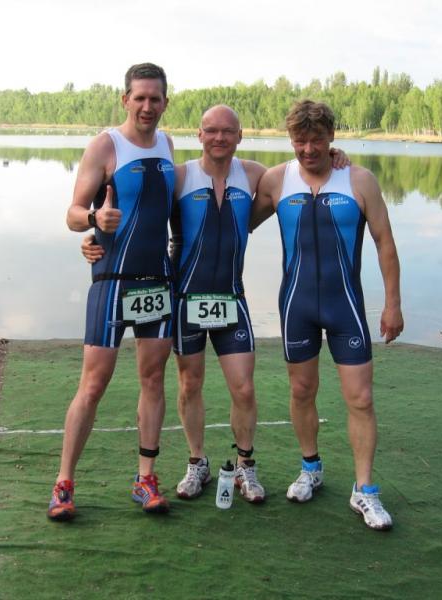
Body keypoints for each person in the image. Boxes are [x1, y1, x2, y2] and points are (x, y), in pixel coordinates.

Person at [82, 105, 350, 504]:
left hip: (231, 297)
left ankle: (245, 464)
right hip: (185, 298)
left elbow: (303, 170)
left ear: (240, 136)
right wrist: (95, 238)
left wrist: (335, 156)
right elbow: (140, 214)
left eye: (227, 131)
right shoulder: (179, 176)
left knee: (244, 387)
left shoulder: (256, 175)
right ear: (199, 135)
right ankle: (197, 462)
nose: (219, 138)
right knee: (189, 383)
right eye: (211, 131)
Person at [251, 100, 404, 530]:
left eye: (317, 140)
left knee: (361, 398)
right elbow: (236, 222)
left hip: (345, 306)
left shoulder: (359, 180)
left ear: (331, 137)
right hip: (296, 305)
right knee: (302, 390)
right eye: (299, 141)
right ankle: (310, 468)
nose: (308, 149)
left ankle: (365, 490)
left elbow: (385, 242)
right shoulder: (277, 180)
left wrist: (393, 303)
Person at [47, 63, 176, 521]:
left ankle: (145, 478)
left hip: (156, 280)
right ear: (125, 100)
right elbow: (72, 212)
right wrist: (92, 221)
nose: (147, 106)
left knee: (153, 379)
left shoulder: (167, 144)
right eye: (139, 98)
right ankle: (64, 483)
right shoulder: (106, 145)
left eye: (155, 98)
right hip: (112, 280)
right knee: (94, 383)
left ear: (165, 102)